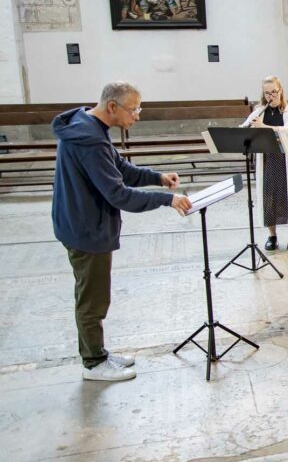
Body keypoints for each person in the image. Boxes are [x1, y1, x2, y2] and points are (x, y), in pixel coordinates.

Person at [51, 82, 191, 382]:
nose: (137, 116)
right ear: (112, 107)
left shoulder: (88, 127)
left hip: (78, 223)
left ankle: (97, 353)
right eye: (134, 109)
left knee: (93, 295)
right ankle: (93, 364)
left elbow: (120, 168)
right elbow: (119, 194)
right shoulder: (90, 140)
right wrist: (168, 199)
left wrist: (158, 177)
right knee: (92, 299)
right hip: (85, 229)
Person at [242, 76, 288, 250]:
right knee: (268, 197)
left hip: (285, 159)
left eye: (274, 92)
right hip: (267, 159)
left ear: (281, 91)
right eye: (267, 93)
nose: (271, 96)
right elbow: (243, 128)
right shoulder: (259, 111)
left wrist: (264, 127)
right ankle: (272, 236)